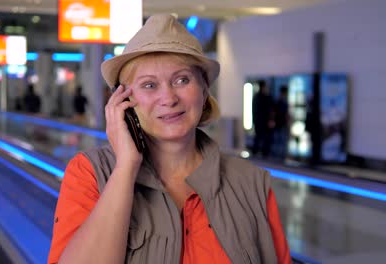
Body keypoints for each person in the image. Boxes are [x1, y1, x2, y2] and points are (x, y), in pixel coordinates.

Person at [48, 14, 291, 264]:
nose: (169, 98)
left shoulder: (250, 182)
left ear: (204, 90)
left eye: (182, 80)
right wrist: (125, 168)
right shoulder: (89, 174)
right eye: (149, 85)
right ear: (124, 101)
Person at [252, 79, 275, 158]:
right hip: (263, 123)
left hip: (259, 122)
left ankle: (256, 153)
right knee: (263, 139)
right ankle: (263, 153)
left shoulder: (257, 97)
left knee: (258, 138)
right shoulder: (265, 97)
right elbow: (269, 110)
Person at [273, 85, 289, 159]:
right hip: (280, 124)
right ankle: (279, 157)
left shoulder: (279, 101)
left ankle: (279, 157)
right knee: (280, 142)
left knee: (280, 142)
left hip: (280, 124)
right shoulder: (281, 102)